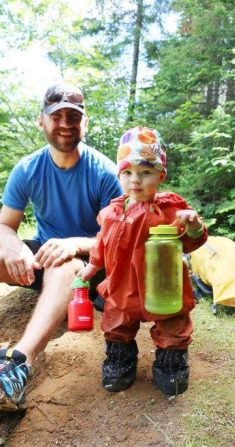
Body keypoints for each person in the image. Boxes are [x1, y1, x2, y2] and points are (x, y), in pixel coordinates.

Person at [0, 82, 122, 411]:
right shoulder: (27, 169)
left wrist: (73, 244)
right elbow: (3, 226)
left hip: (89, 266)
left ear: (85, 123)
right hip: (41, 260)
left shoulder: (105, 173)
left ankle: (17, 363)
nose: (66, 123)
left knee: (66, 263)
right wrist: (15, 248)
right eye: (57, 116)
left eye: (74, 116)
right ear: (42, 121)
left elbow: (120, 239)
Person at [78, 126, 208, 397]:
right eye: (127, 172)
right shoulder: (112, 211)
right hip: (122, 285)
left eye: (145, 172)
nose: (135, 180)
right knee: (117, 322)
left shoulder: (171, 209)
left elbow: (193, 239)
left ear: (160, 175)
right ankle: (120, 359)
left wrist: (194, 226)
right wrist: (91, 267)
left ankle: (171, 362)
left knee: (172, 323)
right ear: (119, 175)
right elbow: (102, 243)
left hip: (162, 285)